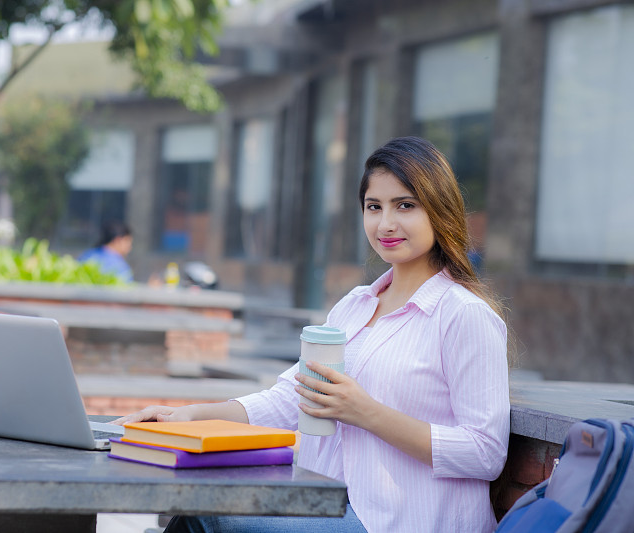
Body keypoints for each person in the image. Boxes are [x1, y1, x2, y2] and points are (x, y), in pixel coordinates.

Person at [113, 136, 511, 533]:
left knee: (210, 513)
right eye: (374, 207)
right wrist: (189, 415)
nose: (385, 223)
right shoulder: (354, 306)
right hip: (325, 505)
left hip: (399, 523)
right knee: (200, 499)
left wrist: (366, 413)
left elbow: (486, 452)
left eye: (405, 205)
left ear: (439, 211)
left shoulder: (464, 315)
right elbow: (291, 396)